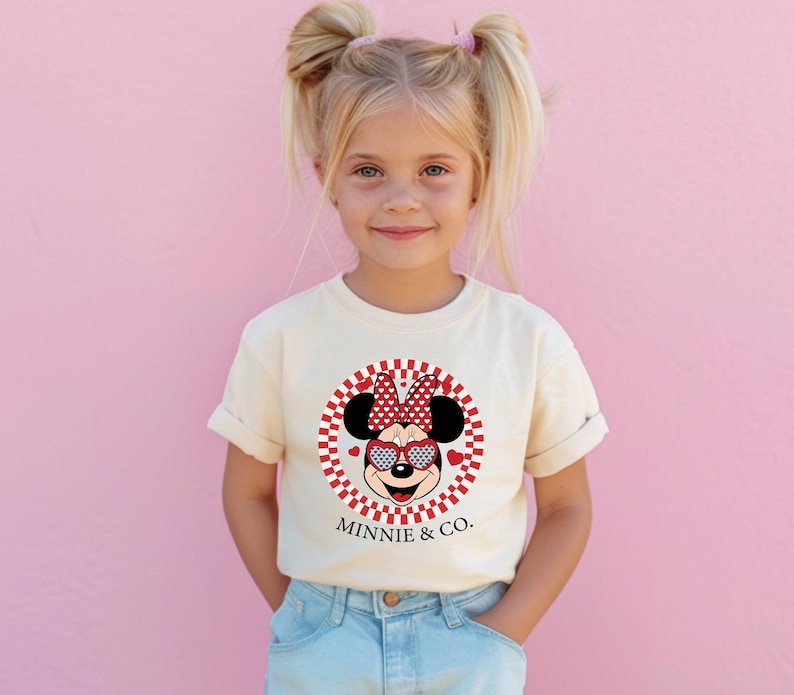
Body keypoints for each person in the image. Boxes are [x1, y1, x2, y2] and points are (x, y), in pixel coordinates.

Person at [208, 2, 608, 692]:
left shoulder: (529, 341)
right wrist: (300, 618)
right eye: (367, 170)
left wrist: (503, 633)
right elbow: (246, 489)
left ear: (479, 175)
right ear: (326, 175)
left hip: (471, 641)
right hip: (321, 643)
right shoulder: (280, 338)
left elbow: (568, 505)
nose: (401, 198)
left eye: (433, 170)